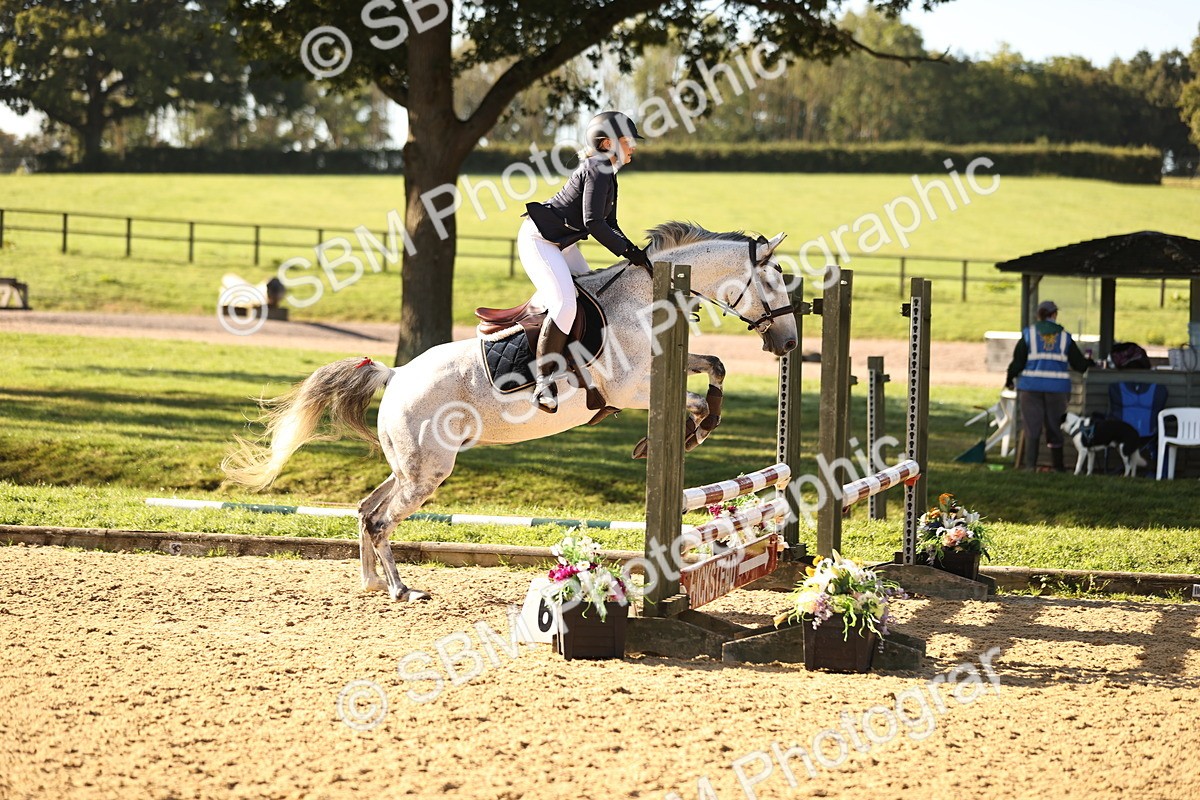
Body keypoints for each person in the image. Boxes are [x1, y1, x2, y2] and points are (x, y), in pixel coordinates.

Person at [518, 111, 651, 413]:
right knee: (565, 304)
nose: (633, 146)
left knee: (595, 301)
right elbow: (594, 222)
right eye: (627, 141)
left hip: (562, 243)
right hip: (540, 240)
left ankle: (589, 374)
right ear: (607, 143)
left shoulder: (608, 171)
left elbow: (611, 223)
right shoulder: (597, 167)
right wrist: (628, 251)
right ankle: (542, 384)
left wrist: (635, 252)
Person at [1005, 300, 1093, 471]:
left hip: (1030, 388)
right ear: (1054, 315)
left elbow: (1018, 362)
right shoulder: (1065, 337)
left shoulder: (1029, 334)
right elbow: (1079, 365)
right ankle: (1058, 467)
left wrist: (1009, 379)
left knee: (1032, 426)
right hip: (1057, 390)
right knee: (1055, 426)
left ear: (1038, 315)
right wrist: (1091, 362)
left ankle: (1030, 466)